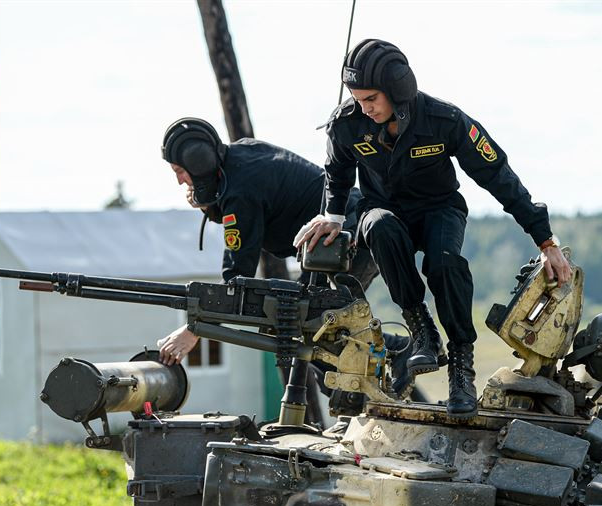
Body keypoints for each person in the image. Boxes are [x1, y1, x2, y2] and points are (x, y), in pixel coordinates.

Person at [295, 39, 572, 419]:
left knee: (445, 264)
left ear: (398, 89)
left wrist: (545, 239)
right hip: (386, 212)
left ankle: (461, 365)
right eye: (358, 99)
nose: (365, 107)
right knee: (376, 225)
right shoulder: (347, 124)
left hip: (439, 210)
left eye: (371, 98)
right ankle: (421, 327)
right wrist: (333, 216)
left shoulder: (444, 120)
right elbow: (337, 173)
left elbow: (497, 175)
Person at [155, 117, 380, 367]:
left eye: (179, 171)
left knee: (318, 328)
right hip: (343, 236)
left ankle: (395, 355)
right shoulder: (241, 157)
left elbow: (236, 280)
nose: (179, 181)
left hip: (347, 240)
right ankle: (389, 366)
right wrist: (210, 204)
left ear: (199, 163)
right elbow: (251, 210)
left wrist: (193, 330)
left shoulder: (241, 192)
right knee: (317, 339)